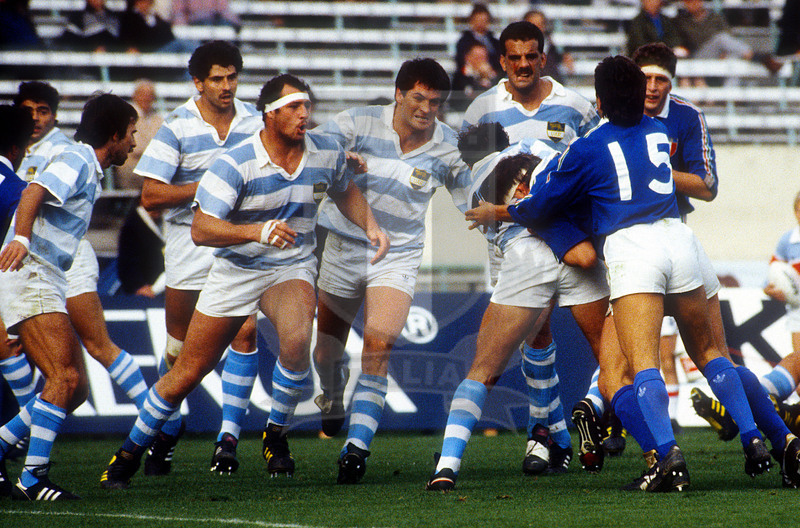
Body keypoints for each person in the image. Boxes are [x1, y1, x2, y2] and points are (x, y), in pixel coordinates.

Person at [465, 56, 800, 491]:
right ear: (640, 98)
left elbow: (544, 202)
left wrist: (501, 209)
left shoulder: (586, 146)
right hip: (680, 239)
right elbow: (697, 183)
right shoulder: (660, 130)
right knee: (714, 354)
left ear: (600, 102)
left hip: (632, 250)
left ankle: (666, 457)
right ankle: (770, 438)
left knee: (631, 371)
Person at [99, 74, 389, 490]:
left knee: (295, 344)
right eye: (293, 107)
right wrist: (255, 232)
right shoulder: (235, 162)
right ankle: (127, 453)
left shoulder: (325, 151)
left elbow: (345, 189)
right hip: (236, 269)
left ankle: (275, 435)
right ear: (269, 115)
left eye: (306, 106)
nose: (304, 114)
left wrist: (372, 225)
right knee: (189, 370)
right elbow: (201, 229)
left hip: (290, 266)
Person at [424, 124, 612, 491]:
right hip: (576, 245)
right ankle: (596, 418)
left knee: (484, 370)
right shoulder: (542, 148)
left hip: (527, 259)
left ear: (468, 158)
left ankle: (446, 467)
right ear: (506, 141)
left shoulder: (476, 186)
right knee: (613, 356)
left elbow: (509, 220)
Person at [311, 58, 471, 484]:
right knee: (326, 352)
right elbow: (309, 151)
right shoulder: (355, 122)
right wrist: (338, 157)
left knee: (379, 343)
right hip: (343, 244)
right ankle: (331, 392)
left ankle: (356, 448)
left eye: (435, 102)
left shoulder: (449, 146)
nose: (426, 108)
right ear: (398, 93)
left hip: (398, 254)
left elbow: (473, 199)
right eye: (419, 97)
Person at [461, 20, 600, 474]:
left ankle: (541, 433)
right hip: (503, 235)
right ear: (502, 61)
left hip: (556, 232)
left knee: (538, 324)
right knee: (529, 332)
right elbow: (471, 173)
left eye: (531, 56)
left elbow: (597, 164)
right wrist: (486, 214)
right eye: (513, 57)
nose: (523, 64)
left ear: (543, 58)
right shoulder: (483, 109)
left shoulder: (574, 108)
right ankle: (556, 431)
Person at [0, 93, 137, 501]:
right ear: (113, 135)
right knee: (65, 379)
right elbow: (32, 192)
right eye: (130, 134)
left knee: (72, 389)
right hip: (32, 274)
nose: (133, 142)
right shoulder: (77, 160)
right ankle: (33, 477)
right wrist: (22, 238)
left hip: (46, 277)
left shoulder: (87, 166)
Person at [135, 40, 263, 475]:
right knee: (179, 352)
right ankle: (167, 428)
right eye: (217, 79)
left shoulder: (255, 121)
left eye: (232, 77)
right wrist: (211, 183)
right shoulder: (176, 126)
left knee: (245, 333)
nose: (226, 86)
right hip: (189, 245)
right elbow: (150, 195)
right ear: (198, 83)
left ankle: (227, 440)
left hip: (238, 244)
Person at [674, 0, 783, 75]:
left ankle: (733, 102)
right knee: (721, 38)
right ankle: (758, 57)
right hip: (697, 54)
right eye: (688, 2)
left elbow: (728, 34)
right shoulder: (682, 21)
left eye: (694, 1)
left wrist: (723, 51)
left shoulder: (714, 17)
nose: (692, 5)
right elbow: (683, 43)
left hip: (721, 52)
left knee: (733, 58)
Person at [115, 79, 163, 190]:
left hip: (153, 165)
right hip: (132, 165)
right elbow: (135, 147)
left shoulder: (157, 118)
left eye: (149, 95)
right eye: (142, 95)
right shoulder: (126, 117)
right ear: (135, 96)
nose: (146, 98)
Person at [117, 201, 165, 297]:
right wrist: (138, 285)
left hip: (163, 287)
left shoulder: (163, 222)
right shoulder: (132, 225)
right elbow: (126, 260)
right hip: (144, 292)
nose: (157, 209)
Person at [524, 9, 574, 85]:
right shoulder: (516, 46)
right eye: (533, 24)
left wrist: (565, 57)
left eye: (540, 24)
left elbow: (559, 58)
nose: (537, 28)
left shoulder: (551, 43)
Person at [455, 3, 501, 76]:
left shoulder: (494, 42)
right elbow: (460, 62)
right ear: (472, 21)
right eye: (478, 20)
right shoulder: (464, 41)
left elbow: (499, 61)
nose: (481, 23)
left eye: (484, 20)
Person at [451, 42, 499, 112]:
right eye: (477, 57)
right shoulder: (460, 76)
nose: (481, 61)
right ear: (468, 57)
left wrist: (487, 77)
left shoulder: (494, 76)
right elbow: (460, 100)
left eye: (484, 57)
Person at [171, 0, 240, 28]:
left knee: (225, 25)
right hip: (194, 24)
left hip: (215, 22)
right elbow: (178, 12)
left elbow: (223, 9)